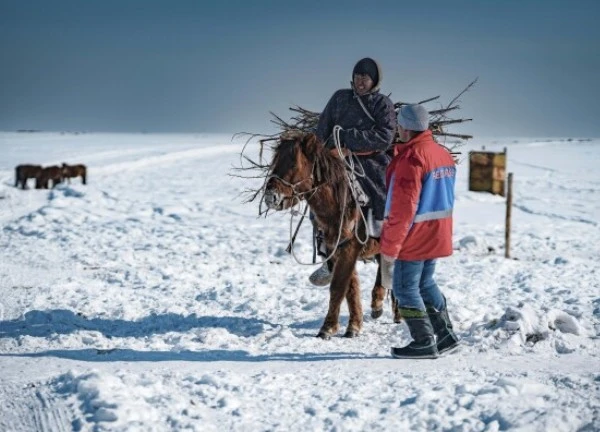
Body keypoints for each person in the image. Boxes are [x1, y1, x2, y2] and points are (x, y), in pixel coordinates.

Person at [380, 103, 459, 359]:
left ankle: (423, 341)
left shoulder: (411, 159)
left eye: (399, 125)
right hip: (438, 231)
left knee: (404, 289)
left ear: (404, 127)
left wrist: (390, 247)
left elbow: (403, 209)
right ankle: (445, 336)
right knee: (425, 283)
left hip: (415, 235)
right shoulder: (441, 154)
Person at [308, 57, 397, 286]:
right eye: (357, 76)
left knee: (381, 197)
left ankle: (385, 251)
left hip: (372, 161)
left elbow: (384, 137)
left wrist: (349, 141)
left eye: (365, 77)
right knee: (318, 199)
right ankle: (328, 258)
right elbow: (323, 129)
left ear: (374, 80)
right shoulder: (340, 98)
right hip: (337, 159)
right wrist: (329, 150)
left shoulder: (382, 104)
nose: (360, 81)